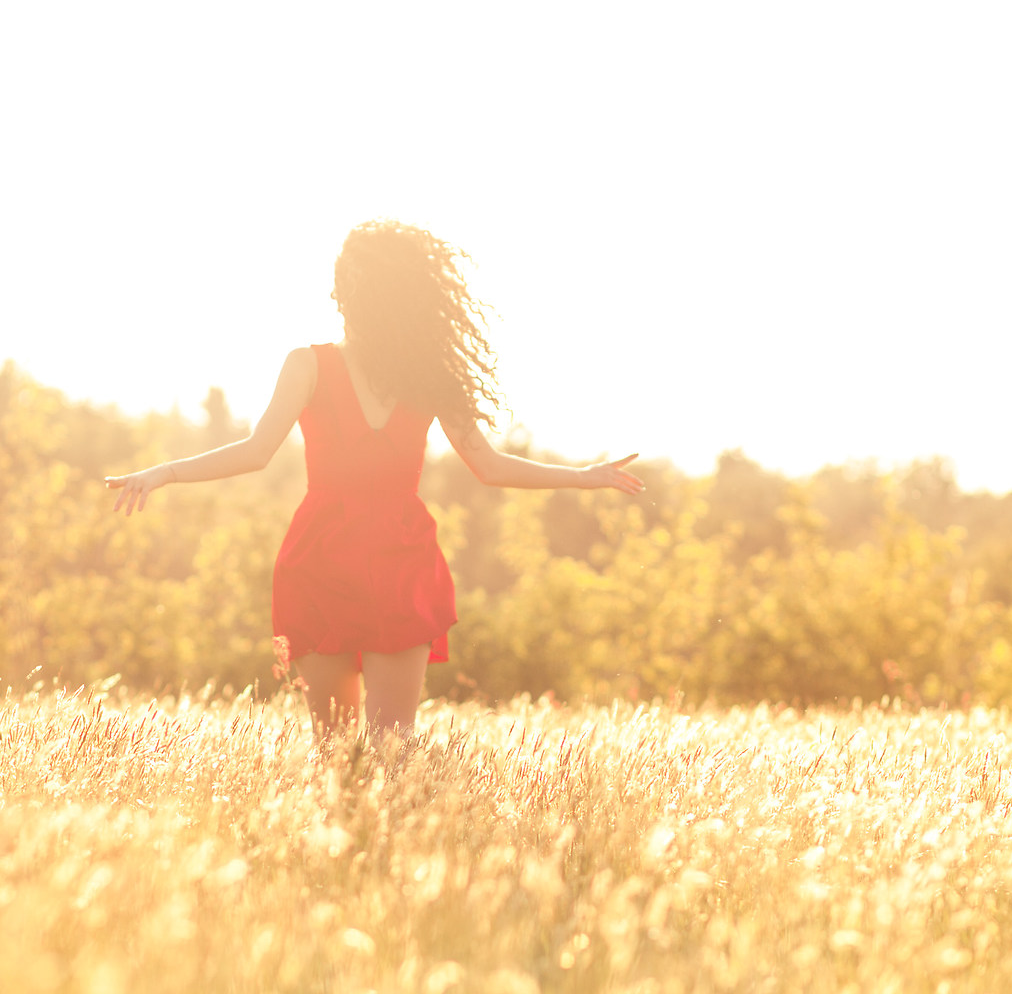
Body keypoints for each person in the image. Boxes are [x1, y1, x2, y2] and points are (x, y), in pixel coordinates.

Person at [105, 220, 643, 739]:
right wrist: (166, 473)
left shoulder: (372, 371)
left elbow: (256, 452)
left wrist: (583, 477)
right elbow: (490, 466)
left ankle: (384, 829)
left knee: (360, 747)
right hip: (352, 558)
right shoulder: (322, 367)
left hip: (378, 559)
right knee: (373, 745)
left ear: (345, 291)